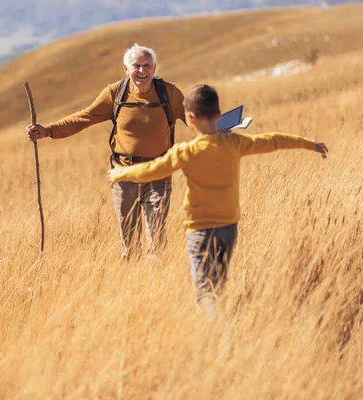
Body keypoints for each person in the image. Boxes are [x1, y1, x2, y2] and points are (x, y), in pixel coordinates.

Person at [108, 84, 328, 317]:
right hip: (228, 229)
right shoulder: (234, 143)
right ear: (220, 117)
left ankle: (217, 328)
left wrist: (121, 173)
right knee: (219, 284)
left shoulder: (185, 152)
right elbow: (273, 140)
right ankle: (223, 318)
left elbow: (152, 170)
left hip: (199, 231)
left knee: (204, 291)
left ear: (190, 119)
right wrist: (310, 144)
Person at [27, 43, 186, 260]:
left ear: (154, 68)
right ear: (126, 69)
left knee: (156, 234)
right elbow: (84, 117)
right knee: (129, 240)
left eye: (147, 65)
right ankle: (131, 284)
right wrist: (48, 131)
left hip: (158, 174)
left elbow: (196, 118)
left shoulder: (170, 93)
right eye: (136, 66)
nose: (142, 71)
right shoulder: (115, 93)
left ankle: (156, 283)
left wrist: (221, 128)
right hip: (123, 174)